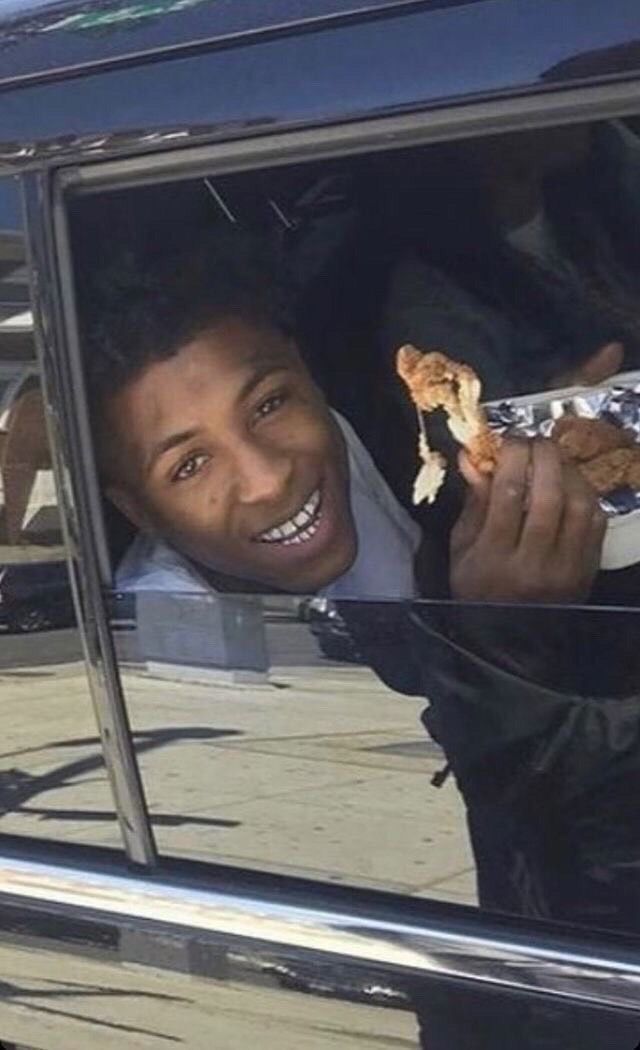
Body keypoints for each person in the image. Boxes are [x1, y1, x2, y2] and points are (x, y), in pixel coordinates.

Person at [77, 232, 638, 1050]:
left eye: (270, 403)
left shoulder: (349, 439)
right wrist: (504, 645)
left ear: (309, 377)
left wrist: (537, 442)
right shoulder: (173, 648)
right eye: (189, 466)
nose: (269, 476)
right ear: (138, 509)